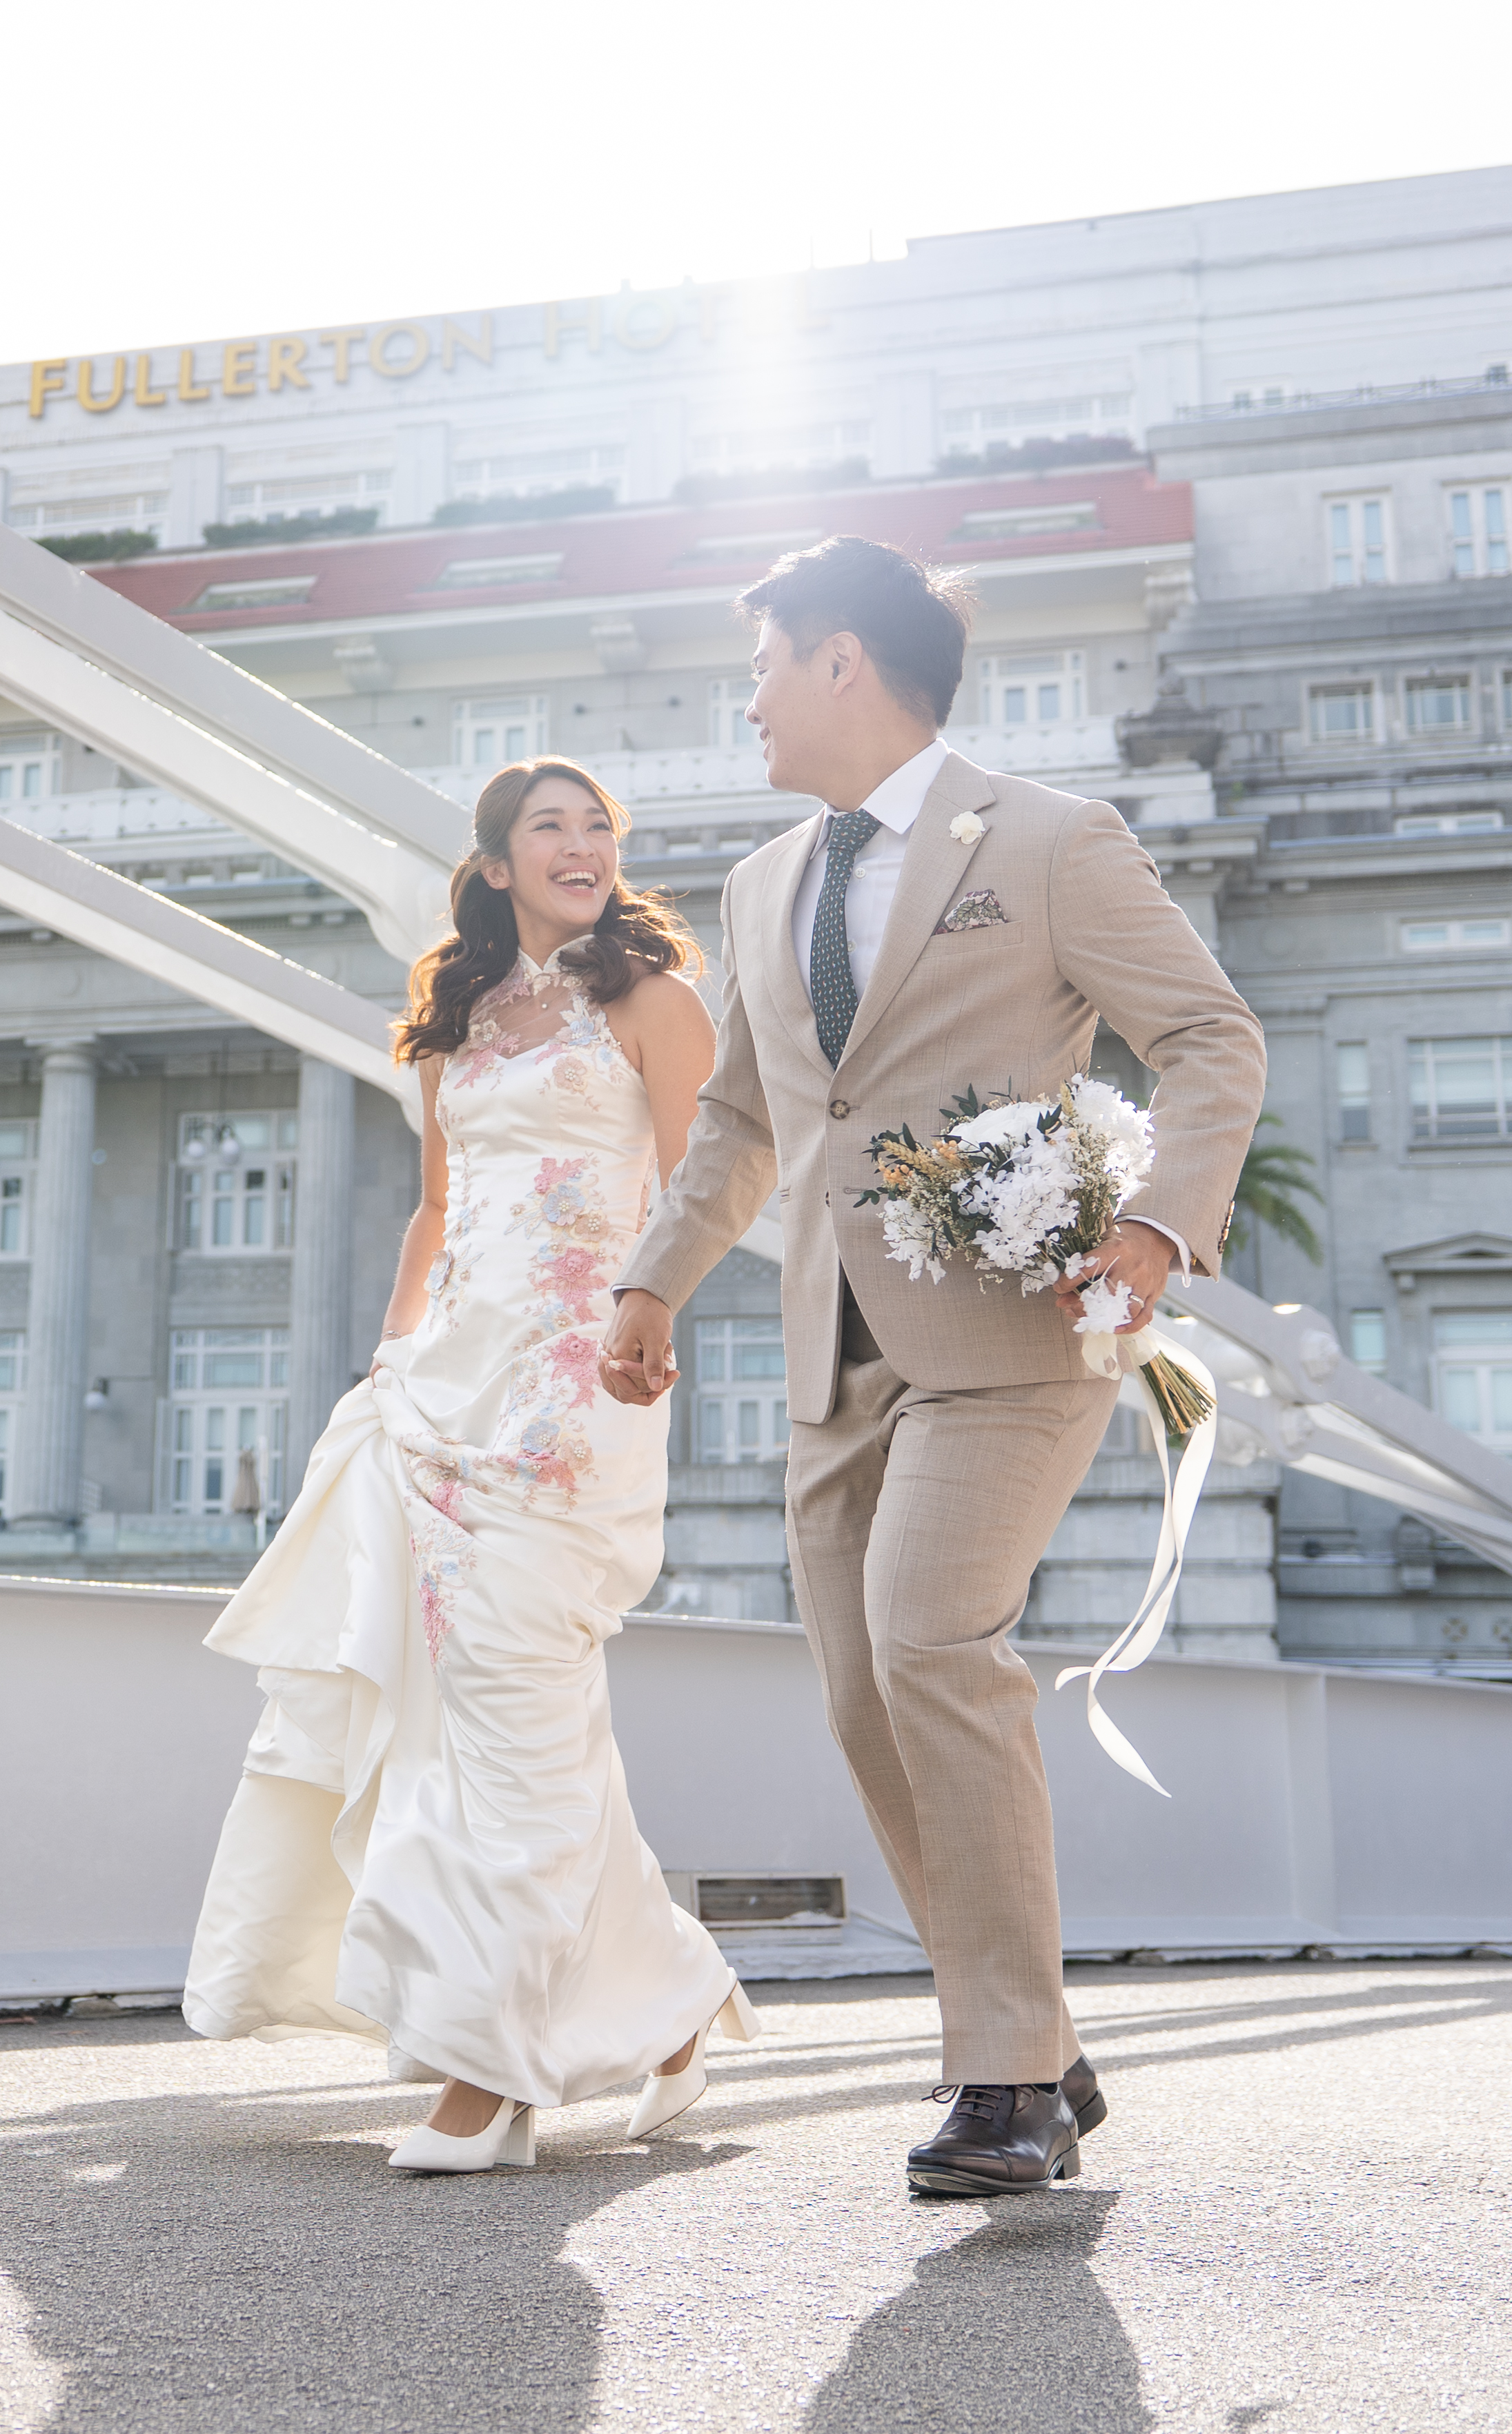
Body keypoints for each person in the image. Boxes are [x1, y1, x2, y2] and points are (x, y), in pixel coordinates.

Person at [600, 536, 1263, 2199]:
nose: (748, 699)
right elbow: (744, 1122)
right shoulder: (759, 883)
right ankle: (1034, 2027)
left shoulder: (1047, 839)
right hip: (832, 1345)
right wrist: (653, 1282)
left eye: (763, 664)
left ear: (842, 660)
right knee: (863, 1694)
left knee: (933, 1641)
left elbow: (1209, 1036)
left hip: (1010, 1331)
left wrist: (1160, 1226)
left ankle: (1005, 2073)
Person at [184, 759, 756, 2172]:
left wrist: (651, 1310)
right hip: (438, 1391)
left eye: (599, 825)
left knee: (513, 1692)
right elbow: (436, 1208)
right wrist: (391, 1357)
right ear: (497, 863)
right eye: (550, 825)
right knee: (491, 1720)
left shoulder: (658, 1002)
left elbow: (705, 1183)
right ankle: (673, 2001)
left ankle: (485, 2066)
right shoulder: (459, 1019)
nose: (583, 843)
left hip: (582, 1387)